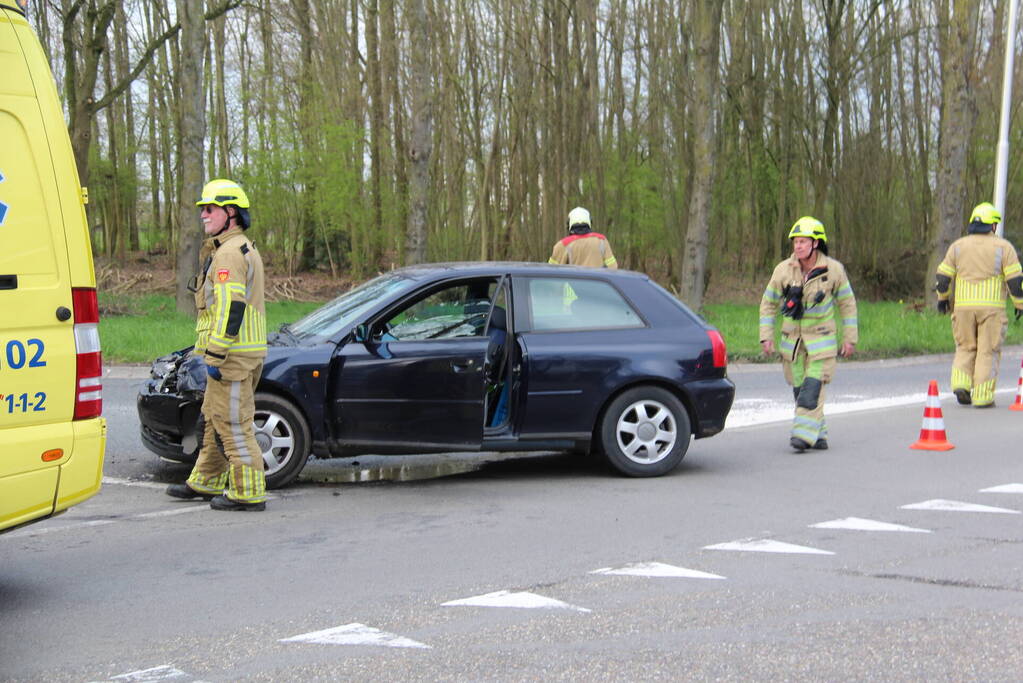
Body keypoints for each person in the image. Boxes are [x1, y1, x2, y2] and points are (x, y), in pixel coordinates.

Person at [166, 179, 269, 510]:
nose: (203, 215)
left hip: (231, 357)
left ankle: (248, 493)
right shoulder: (233, 248)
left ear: (231, 212)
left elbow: (230, 308)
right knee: (214, 417)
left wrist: (215, 352)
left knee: (234, 425)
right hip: (234, 354)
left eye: (209, 209)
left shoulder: (228, 254)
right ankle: (207, 480)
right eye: (202, 210)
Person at [759, 216, 858, 452]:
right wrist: (766, 336)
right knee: (799, 387)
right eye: (795, 242)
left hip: (821, 341)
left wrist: (849, 339)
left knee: (812, 388)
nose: (798, 246)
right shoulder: (783, 270)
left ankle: (802, 436)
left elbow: (847, 304)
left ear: (815, 244)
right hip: (792, 343)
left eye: (803, 242)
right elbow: (768, 304)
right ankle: (818, 434)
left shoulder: (834, 270)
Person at [935, 202, 1023, 407]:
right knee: (988, 351)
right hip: (991, 310)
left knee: (965, 347)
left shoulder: (957, 246)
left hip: (963, 308)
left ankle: (961, 384)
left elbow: (942, 277)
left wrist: (942, 299)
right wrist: (1020, 305)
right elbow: (1016, 284)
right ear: (992, 226)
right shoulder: (1004, 247)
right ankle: (983, 396)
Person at [548, 206, 618, 268]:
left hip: (573, 282)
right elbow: (613, 267)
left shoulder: (563, 244)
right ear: (589, 222)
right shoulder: (602, 240)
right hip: (597, 282)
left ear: (569, 224)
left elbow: (551, 271)